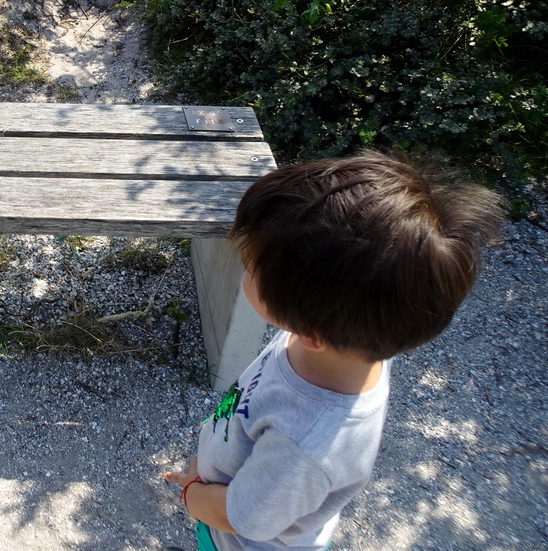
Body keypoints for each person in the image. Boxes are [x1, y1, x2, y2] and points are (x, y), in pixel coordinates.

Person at [164, 149, 503, 551]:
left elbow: (242, 518)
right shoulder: (354, 340)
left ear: (313, 335)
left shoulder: (305, 445)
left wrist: (193, 495)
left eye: (250, 271)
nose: (243, 270)